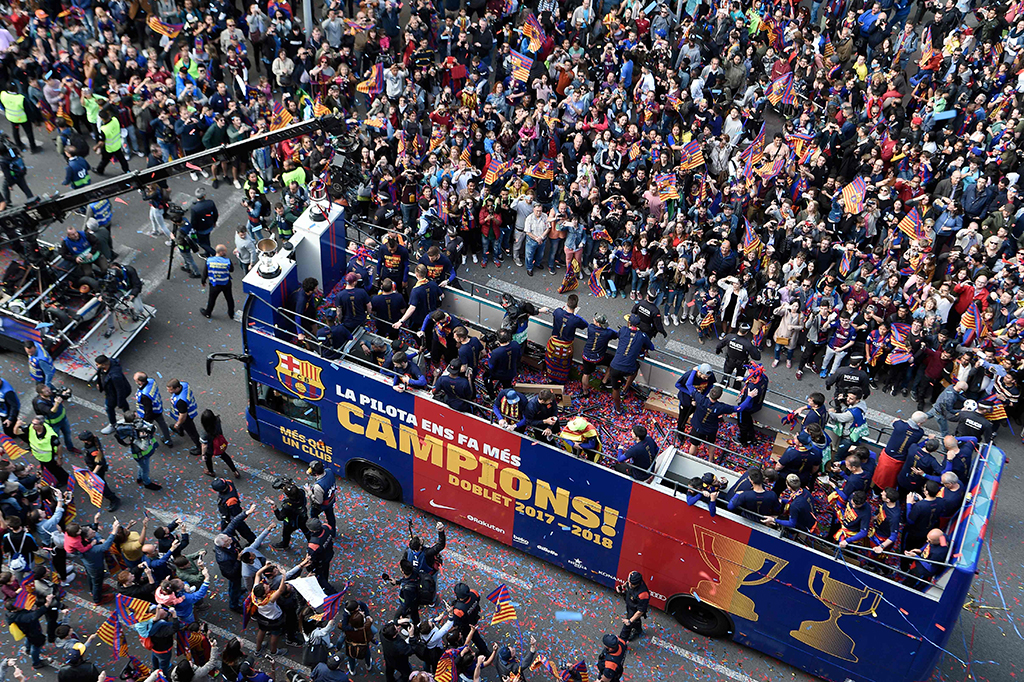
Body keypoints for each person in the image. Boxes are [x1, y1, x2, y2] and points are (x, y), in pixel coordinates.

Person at [607, 315, 654, 414]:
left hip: (615, 366)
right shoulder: (642, 335)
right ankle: (625, 389)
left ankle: (618, 409)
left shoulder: (623, 330)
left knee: (615, 389)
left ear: (629, 323)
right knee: (636, 369)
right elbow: (652, 347)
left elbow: (619, 336)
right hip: (629, 369)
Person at [873, 412, 927, 491]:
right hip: (899, 460)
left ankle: (875, 493)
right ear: (919, 423)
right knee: (892, 480)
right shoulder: (919, 433)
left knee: (880, 477)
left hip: (887, 457)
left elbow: (895, 421)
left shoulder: (899, 425)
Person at [15, 416, 69, 488]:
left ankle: (64, 479)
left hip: (48, 458)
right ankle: (46, 473)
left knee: (55, 469)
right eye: (32, 423)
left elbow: (59, 446)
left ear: (41, 425)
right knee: (46, 468)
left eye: (35, 424)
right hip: (39, 456)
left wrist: (59, 458)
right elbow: (16, 432)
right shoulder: (31, 427)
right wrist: (17, 425)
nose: (32, 425)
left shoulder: (50, 435)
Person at [545, 294, 587, 383]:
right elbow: (585, 324)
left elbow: (555, 314)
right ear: (576, 306)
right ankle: (561, 380)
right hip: (566, 347)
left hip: (554, 343)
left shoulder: (558, 312)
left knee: (552, 360)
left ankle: (550, 378)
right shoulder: (576, 320)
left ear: (566, 304)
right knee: (564, 363)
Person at [77, 431, 121, 512]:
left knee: (101, 485)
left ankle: (114, 499)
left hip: (97, 470)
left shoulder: (94, 451)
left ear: (86, 440)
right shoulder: (93, 442)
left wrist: (93, 473)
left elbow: (99, 463)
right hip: (94, 468)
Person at [32, 384, 78, 454]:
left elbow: (60, 393)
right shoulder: (41, 403)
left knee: (67, 434)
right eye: (46, 391)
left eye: (48, 389)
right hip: (53, 424)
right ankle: (55, 450)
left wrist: (65, 392)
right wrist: (57, 403)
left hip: (63, 419)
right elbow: (52, 411)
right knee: (55, 438)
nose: (49, 391)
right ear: (41, 394)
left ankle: (70, 447)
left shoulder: (51, 393)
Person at [580, 314, 617, 397]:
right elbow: (616, 335)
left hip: (586, 356)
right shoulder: (608, 333)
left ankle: (585, 392)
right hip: (598, 358)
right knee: (612, 362)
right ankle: (604, 382)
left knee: (586, 373)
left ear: (597, 323)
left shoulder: (591, 328)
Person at [133, 372, 174, 446]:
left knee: (146, 428)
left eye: (136, 380)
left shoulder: (144, 396)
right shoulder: (151, 381)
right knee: (162, 424)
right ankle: (168, 439)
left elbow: (148, 410)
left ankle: (147, 441)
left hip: (151, 412)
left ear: (140, 382)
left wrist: (146, 419)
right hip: (157, 407)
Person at [94, 355, 131, 435]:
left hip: (113, 394)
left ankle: (113, 424)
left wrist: (119, 403)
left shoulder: (115, 375)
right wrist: (99, 384)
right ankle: (129, 418)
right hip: (111, 392)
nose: (96, 366)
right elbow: (99, 375)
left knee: (109, 408)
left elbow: (120, 390)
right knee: (124, 405)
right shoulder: (104, 368)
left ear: (104, 365)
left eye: (98, 364)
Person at [199, 410, 240, 478]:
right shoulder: (217, 420)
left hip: (211, 448)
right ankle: (235, 471)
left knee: (208, 458)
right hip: (219, 443)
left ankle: (211, 472)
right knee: (224, 456)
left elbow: (204, 445)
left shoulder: (205, 433)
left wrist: (203, 454)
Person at [735, 363, 768, 446]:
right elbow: (753, 379)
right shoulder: (764, 378)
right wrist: (744, 379)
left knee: (742, 423)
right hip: (757, 405)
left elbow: (748, 405)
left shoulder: (751, 387)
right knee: (748, 420)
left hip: (746, 408)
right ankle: (751, 436)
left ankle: (743, 441)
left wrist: (741, 407)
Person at [1, 82, 39, 153]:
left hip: (11, 117)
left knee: (15, 131)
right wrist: (34, 120)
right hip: (22, 118)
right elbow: (28, 111)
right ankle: (33, 148)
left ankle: (19, 145)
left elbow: (3, 105)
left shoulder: (3, 94)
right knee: (29, 133)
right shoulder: (20, 98)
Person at [200, 244, 235, 320]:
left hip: (214, 284)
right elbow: (231, 270)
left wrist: (203, 281)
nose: (226, 252)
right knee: (229, 299)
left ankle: (208, 313)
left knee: (212, 300)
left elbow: (205, 273)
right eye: (225, 251)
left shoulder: (209, 261)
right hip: (226, 283)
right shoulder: (227, 261)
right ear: (221, 252)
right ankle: (231, 314)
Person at [167, 379, 202, 455]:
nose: (169, 391)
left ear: (177, 388)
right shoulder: (184, 385)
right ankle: (181, 431)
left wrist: (177, 424)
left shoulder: (181, 401)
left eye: (171, 390)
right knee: (184, 426)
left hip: (187, 417)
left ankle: (200, 447)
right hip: (190, 410)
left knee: (192, 433)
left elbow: (183, 416)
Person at [614, 571, 650, 641]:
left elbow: (640, 611)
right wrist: (622, 587)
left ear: (637, 584)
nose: (629, 585)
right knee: (636, 620)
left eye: (632, 584)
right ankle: (638, 629)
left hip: (635, 609)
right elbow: (627, 583)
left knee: (627, 626)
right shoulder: (631, 575)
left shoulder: (643, 594)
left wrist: (630, 621)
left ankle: (622, 640)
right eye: (629, 582)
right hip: (630, 603)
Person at [93, 109, 130, 174]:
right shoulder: (115, 120)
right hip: (117, 144)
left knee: (105, 160)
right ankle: (127, 171)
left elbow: (102, 141)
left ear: (102, 118)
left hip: (109, 148)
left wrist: (96, 147)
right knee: (122, 159)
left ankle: (99, 170)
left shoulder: (104, 129)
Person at [305, 461, 337, 529]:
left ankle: (317, 530)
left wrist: (309, 491)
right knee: (330, 516)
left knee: (314, 515)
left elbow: (319, 501)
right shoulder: (329, 471)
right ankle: (332, 531)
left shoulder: (318, 486)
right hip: (330, 500)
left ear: (315, 473)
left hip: (322, 505)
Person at [189, 188, 219, 257]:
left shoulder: (194, 208)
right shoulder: (210, 203)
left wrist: (194, 228)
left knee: (201, 242)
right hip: (210, 225)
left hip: (201, 229)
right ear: (204, 196)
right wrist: (214, 222)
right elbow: (215, 214)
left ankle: (213, 253)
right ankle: (207, 253)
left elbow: (193, 221)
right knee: (206, 239)